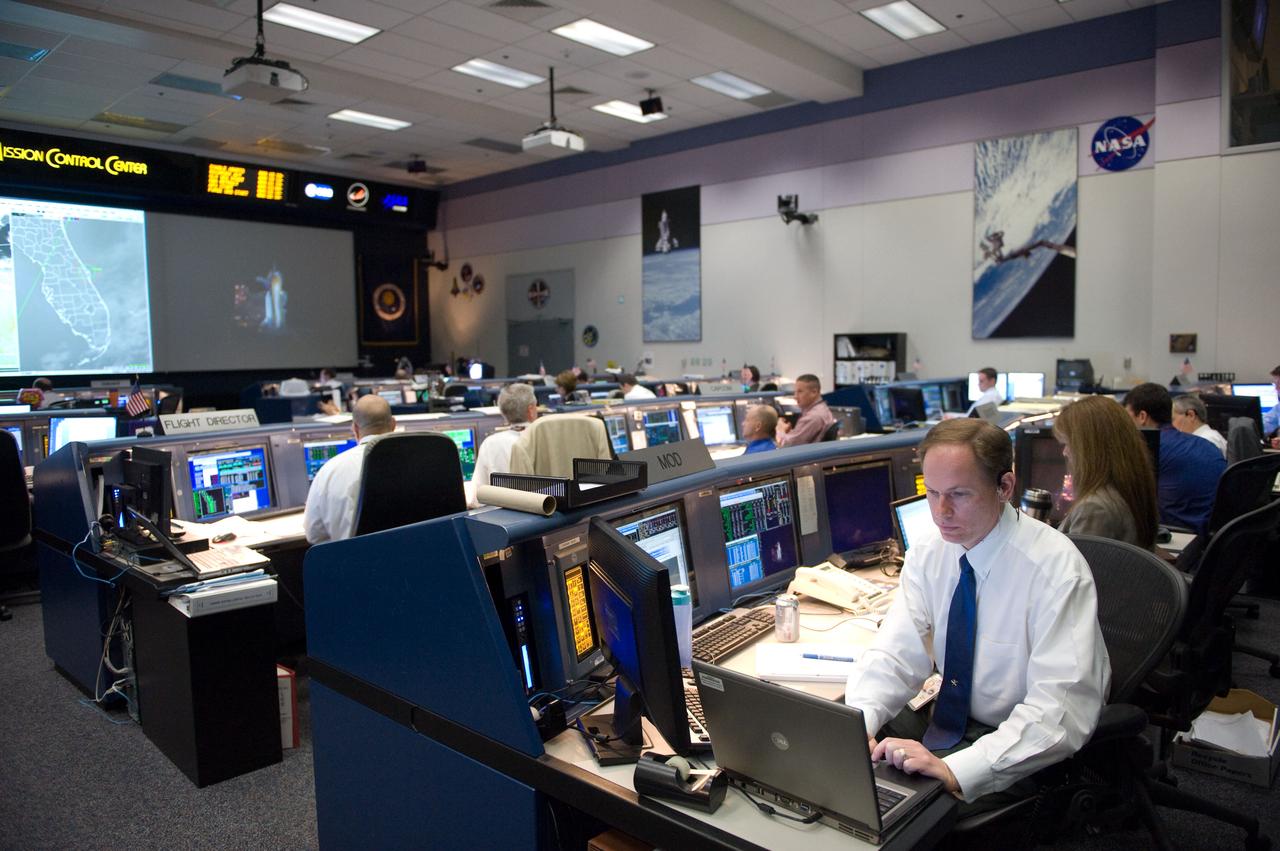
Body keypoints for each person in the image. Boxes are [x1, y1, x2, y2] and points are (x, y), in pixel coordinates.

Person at [845, 419, 1110, 812]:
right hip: (949, 713)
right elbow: (896, 652)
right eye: (932, 494)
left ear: (1005, 487)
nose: (941, 512)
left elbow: (1061, 710)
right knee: (840, 767)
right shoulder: (931, 551)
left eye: (959, 494)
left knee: (910, 817)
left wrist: (957, 770)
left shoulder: (1054, 569)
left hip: (1014, 736)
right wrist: (857, 724)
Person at [1053, 395, 1159, 549]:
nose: (1065, 452)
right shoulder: (1129, 488)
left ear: (1090, 448)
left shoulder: (1094, 508)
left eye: (1068, 443)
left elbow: (1077, 570)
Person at [1124, 383, 1225, 534]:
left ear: (1142, 417)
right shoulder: (1206, 445)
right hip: (1208, 537)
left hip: (1177, 535)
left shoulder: (1148, 449)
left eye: (1128, 418)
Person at [303, 395, 397, 544]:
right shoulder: (423, 460)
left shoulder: (331, 470)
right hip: (423, 562)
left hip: (357, 563)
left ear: (355, 428)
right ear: (393, 424)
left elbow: (314, 535)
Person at [471, 383, 537, 494]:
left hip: (503, 509)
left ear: (503, 412)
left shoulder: (490, 443)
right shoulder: (543, 438)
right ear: (531, 410)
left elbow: (477, 495)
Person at [776, 374, 835, 447]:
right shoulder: (822, 408)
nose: (795, 396)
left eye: (800, 392)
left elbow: (787, 445)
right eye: (795, 392)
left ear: (814, 392)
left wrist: (779, 429)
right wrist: (789, 432)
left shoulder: (813, 417)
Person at [1171, 394, 1227, 458]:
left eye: (1173, 419)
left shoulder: (1207, 440)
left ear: (1191, 415)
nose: (1171, 425)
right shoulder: (1203, 438)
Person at [1264, 365, 1280, 449]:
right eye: (1276, 384)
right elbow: (1265, 424)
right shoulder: (1278, 408)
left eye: (1279, 384)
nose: (1276, 389)